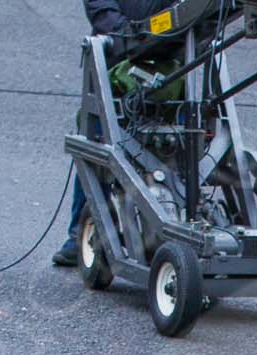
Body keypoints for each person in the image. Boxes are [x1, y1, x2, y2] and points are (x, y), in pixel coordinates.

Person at [54, 0, 159, 267]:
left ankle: (165, 230)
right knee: (97, 149)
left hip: (170, 70)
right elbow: (104, 15)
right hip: (115, 75)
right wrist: (142, 34)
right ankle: (80, 234)